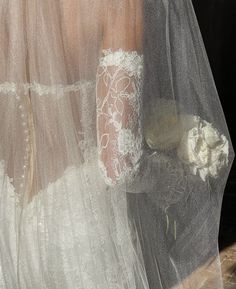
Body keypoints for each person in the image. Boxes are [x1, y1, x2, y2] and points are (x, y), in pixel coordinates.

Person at [0, 1, 234, 288]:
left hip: (10, 227)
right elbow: (120, 167)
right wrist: (181, 179)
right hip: (83, 232)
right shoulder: (117, 5)